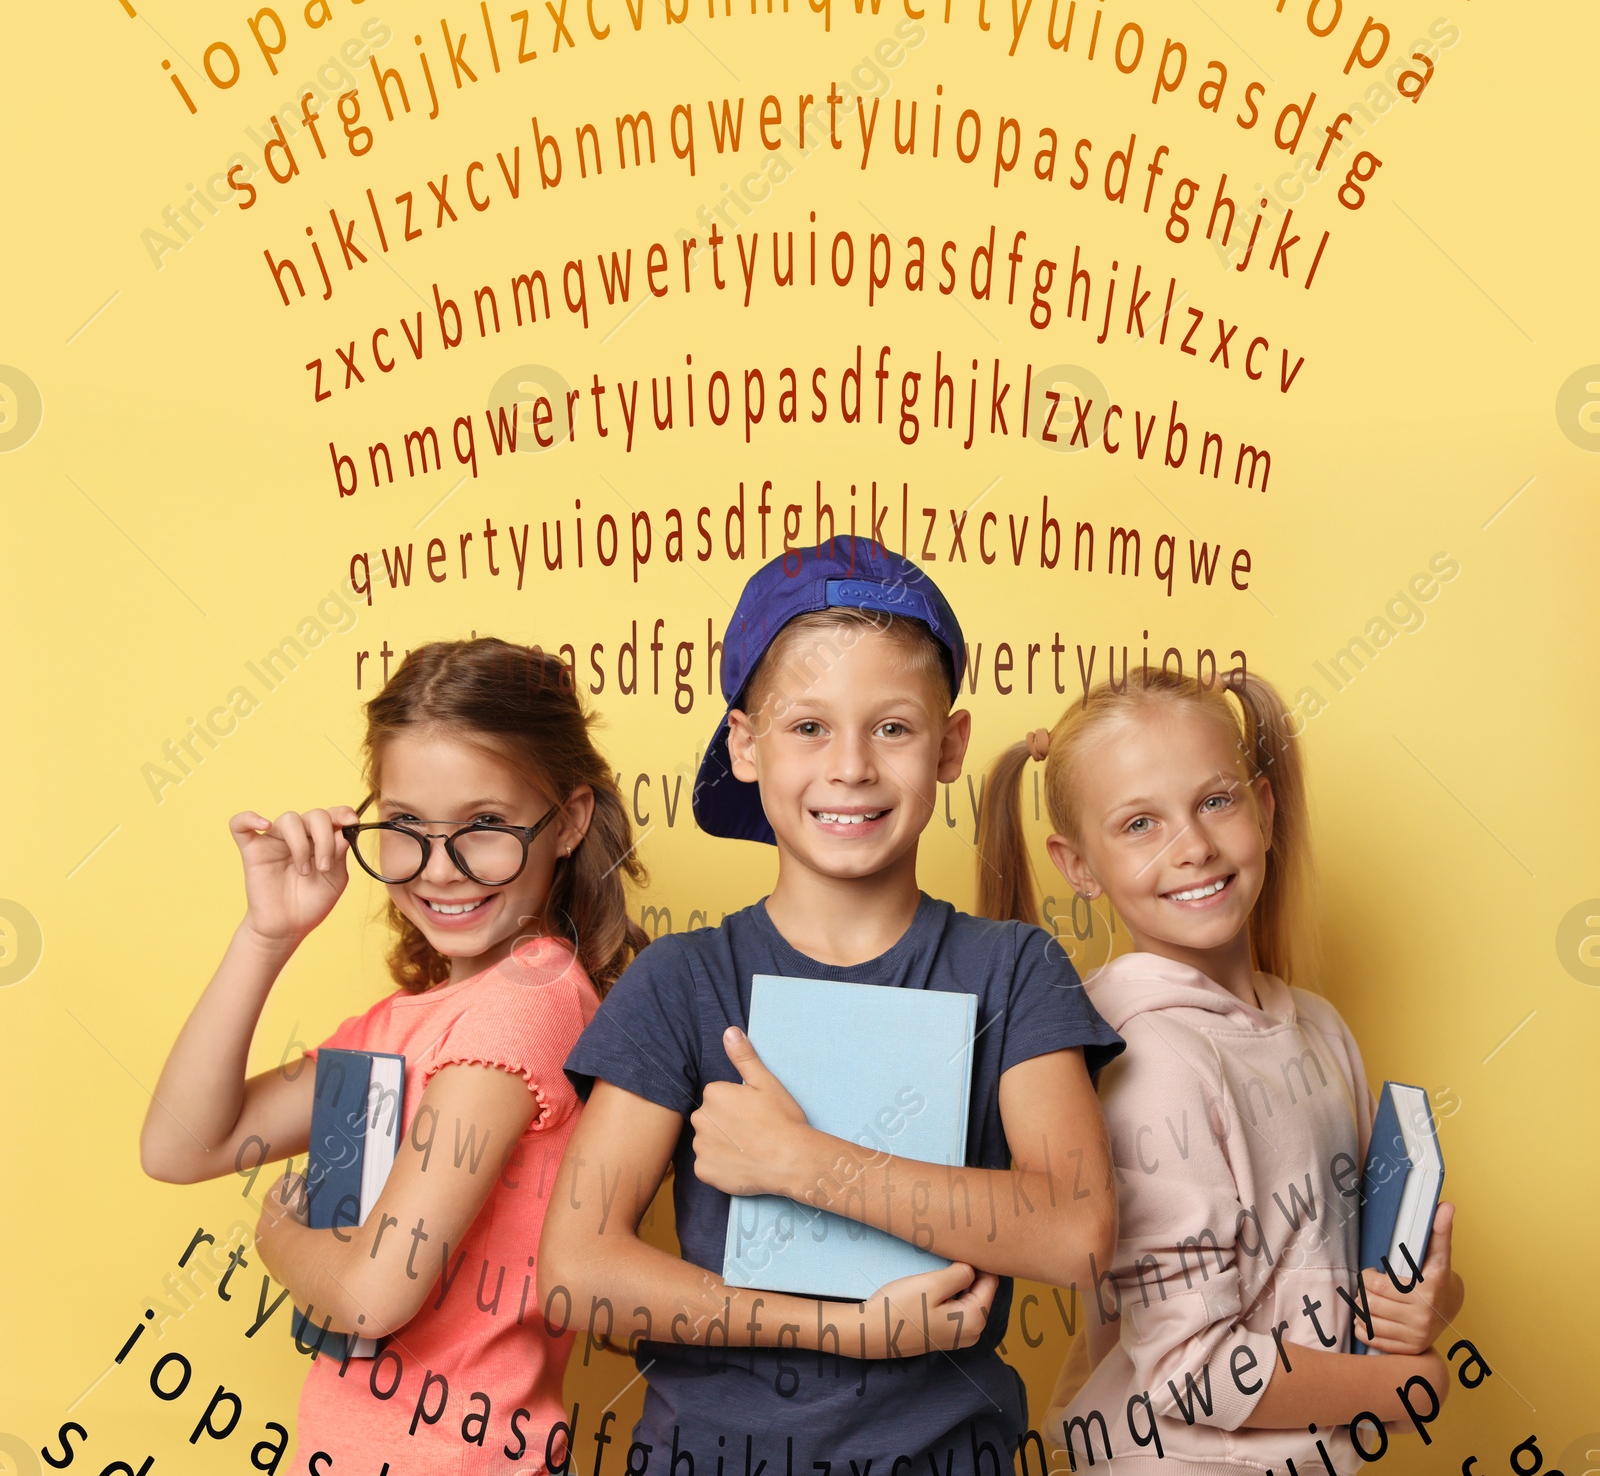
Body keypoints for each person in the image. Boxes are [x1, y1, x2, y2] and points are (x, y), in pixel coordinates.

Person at [540, 538, 1126, 1476]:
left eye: (891, 727)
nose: (850, 767)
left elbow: (1076, 1232)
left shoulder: (1014, 970)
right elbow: (577, 1273)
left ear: (951, 745)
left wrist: (802, 1162)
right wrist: (845, 1332)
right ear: (744, 743)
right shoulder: (683, 981)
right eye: (808, 727)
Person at [140, 638, 648, 1474]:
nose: (440, 871)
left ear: (570, 822)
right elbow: (180, 1146)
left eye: (484, 826)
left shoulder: (527, 1002)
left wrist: (276, 1236)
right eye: (406, 828)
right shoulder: (402, 1025)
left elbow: (375, 1293)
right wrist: (268, 935)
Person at [975, 669, 1465, 1473]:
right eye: (1139, 823)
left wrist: (1421, 1303)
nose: (1193, 846)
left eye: (1215, 801)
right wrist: (1403, 1390)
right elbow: (1190, 1374)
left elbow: (1353, 1271)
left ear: (1264, 810)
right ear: (1079, 866)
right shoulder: (1144, 1060)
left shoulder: (1317, 1027)